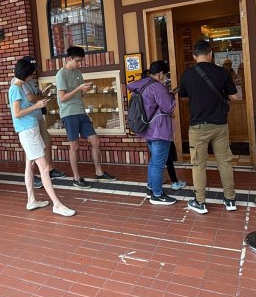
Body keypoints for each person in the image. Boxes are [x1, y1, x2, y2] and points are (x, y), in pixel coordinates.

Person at [178, 39, 239, 214]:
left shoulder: (187, 75)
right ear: (210, 53)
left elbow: (183, 97)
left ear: (194, 55)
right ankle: (230, 199)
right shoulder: (222, 72)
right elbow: (234, 97)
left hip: (198, 127)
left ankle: (200, 202)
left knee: (198, 165)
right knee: (224, 162)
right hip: (220, 125)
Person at [9, 58, 75, 216]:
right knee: (44, 168)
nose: (31, 76)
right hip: (28, 131)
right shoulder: (16, 89)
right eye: (30, 74)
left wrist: (36, 104)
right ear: (25, 74)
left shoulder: (16, 87)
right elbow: (17, 114)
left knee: (29, 166)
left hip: (28, 130)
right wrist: (36, 106)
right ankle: (57, 204)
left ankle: (31, 200)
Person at [56, 46, 116, 188]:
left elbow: (80, 95)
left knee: (95, 141)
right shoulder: (61, 74)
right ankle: (76, 178)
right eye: (78, 61)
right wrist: (78, 89)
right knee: (74, 146)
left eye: (81, 61)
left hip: (81, 111)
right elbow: (62, 97)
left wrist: (85, 90)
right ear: (69, 59)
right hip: (68, 113)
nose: (80, 64)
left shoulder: (78, 73)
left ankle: (99, 172)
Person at [126, 61, 177, 205]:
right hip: (159, 130)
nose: (165, 77)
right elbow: (168, 107)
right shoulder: (157, 87)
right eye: (165, 74)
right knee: (158, 164)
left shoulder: (142, 85)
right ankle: (157, 195)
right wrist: (171, 96)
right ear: (160, 74)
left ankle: (150, 188)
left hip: (146, 129)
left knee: (154, 161)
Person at [18, 56, 65, 188]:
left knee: (46, 141)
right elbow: (30, 98)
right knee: (33, 151)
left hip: (37, 117)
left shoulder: (30, 80)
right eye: (32, 69)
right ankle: (37, 176)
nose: (32, 72)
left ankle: (49, 170)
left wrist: (43, 94)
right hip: (28, 121)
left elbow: (37, 95)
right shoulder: (18, 84)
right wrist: (38, 100)